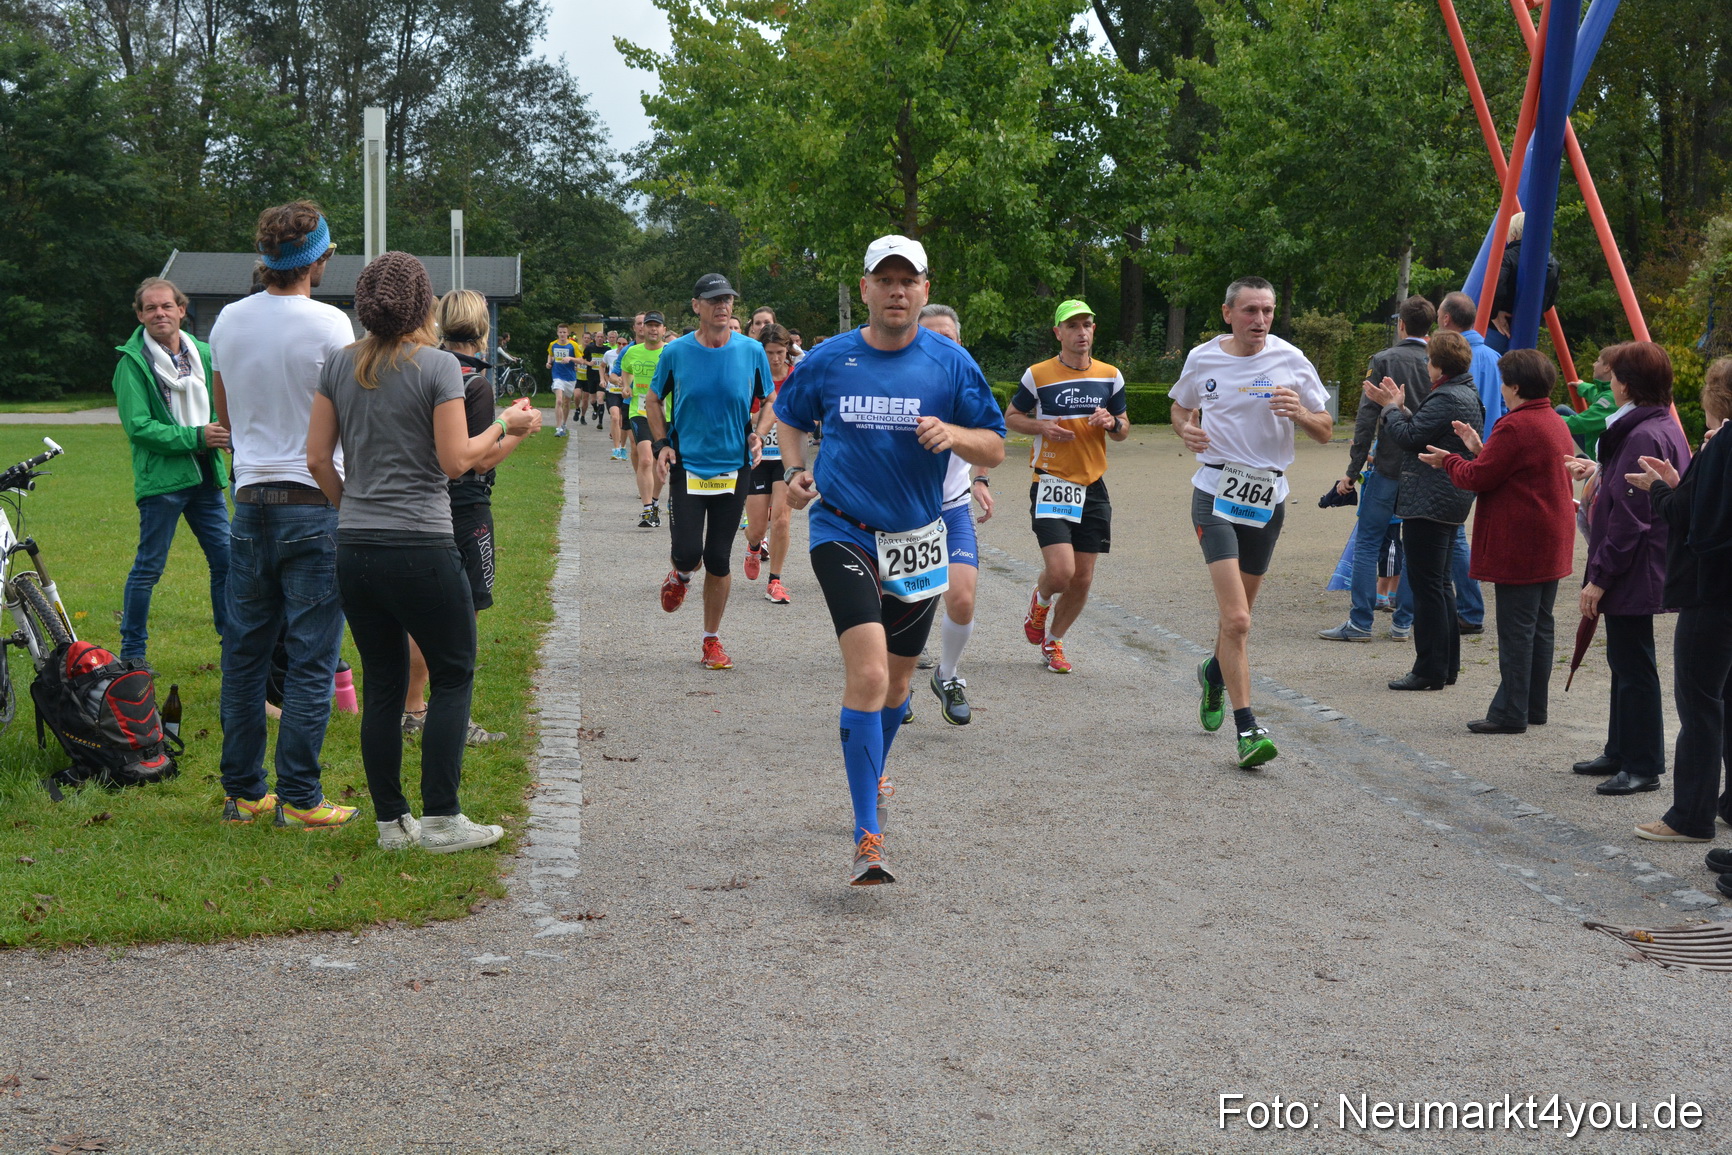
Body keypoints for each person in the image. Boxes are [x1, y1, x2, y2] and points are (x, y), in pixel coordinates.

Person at [774, 234, 1006, 884]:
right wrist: (793, 469)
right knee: (871, 675)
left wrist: (954, 434)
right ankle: (867, 835)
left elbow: (994, 445)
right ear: (866, 288)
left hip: (918, 539)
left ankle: (873, 771)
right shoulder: (830, 358)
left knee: (899, 688)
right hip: (842, 530)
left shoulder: (951, 363)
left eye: (909, 280)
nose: (897, 291)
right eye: (886, 279)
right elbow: (789, 415)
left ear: (925, 290)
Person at [308, 252, 539, 852]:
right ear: (423, 305)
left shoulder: (339, 364)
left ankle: (392, 824)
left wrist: (351, 510)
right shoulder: (437, 366)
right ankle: (441, 818)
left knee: (383, 685)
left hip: (356, 547)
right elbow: (456, 461)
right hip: (421, 545)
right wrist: (506, 427)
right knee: (454, 673)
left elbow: (317, 460)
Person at [208, 200, 356, 828]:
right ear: (316, 259)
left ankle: (244, 793)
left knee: (244, 657)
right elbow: (349, 417)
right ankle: (300, 797)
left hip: (248, 504)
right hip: (313, 504)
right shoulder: (332, 324)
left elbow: (227, 417)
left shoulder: (226, 320)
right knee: (312, 657)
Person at [1170, 276, 1332, 770]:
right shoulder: (1203, 358)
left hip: (1266, 498)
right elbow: (1179, 407)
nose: (1260, 320)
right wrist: (1185, 429)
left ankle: (1213, 673)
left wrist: (1300, 413)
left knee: (1234, 621)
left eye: (1267, 311)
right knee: (1239, 619)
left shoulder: (1291, 359)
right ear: (1228, 313)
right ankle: (1248, 730)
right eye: (1250, 311)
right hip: (1215, 493)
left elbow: (1326, 430)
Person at [399, 289, 538, 746]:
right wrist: (519, 429)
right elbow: (477, 460)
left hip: (422, 502)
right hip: (466, 508)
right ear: (483, 329)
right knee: (464, 614)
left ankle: (412, 707)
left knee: (421, 611)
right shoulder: (474, 383)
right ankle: (453, 714)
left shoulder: (422, 367)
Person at [1419, 349, 1576, 732]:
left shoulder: (1516, 425)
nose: (1501, 388)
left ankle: (1510, 712)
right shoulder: (1554, 420)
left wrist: (1450, 460)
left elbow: (1479, 478)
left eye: (1505, 382)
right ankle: (1532, 706)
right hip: (1551, 536)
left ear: (1516, 386)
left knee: (1517, 629)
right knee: (1540, 625)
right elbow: (1509, 466)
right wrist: (1478, 449)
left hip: (1521, 540)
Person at [1574, 341, 1692, 796]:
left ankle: (1642, 764)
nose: (1611, 384)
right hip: (1641, 562)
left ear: (1626, 384)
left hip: (1635, 565)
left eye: (1615, 377)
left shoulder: (1643, 434)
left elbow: (1630, 519)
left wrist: (1600, 577)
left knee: (1635, 664)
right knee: (1624, 659)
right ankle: (1621, 748)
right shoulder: (1659, 424)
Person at [1626, 358, 1731, 847]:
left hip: (1712, 590)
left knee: (1699, 702)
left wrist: (1659, 491)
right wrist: (1680, 482)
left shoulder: (1722, 444)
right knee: (1725, 698)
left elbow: (1697, 521)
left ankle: (1691, 815)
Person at [646, 274, 771, 670]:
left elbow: (769, 399)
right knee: (688, 553)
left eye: (727, 299)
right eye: (714, 299)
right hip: (688, 465)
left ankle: (710, 641)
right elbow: (653, 400)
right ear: (696, 305)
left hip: (734, 467)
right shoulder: (676, 352)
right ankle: (680, 576)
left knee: (718, 558)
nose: (723, 306)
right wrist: (662, 444)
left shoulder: (751, 350)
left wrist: (759, 432)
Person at [112, 276, 231, 662]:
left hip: (206, 477)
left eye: (166, 306)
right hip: (163, 482)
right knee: (149, 569)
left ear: (182, 309)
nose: (159, 313)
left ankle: (232, 645)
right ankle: (133, 653)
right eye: (150, 308)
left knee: (227, 562)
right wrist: (198, 436)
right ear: (140, 315)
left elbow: (223, 404)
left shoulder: (204, 353)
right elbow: (139, 427)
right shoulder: (132, 364)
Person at [1009, 299, 1128, 675]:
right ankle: (1041, 600)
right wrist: (1041, 426)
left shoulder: (1110, 375)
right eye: (1072, 326)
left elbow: (1123, 429)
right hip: (1051, 480)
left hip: (1092, 484)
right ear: (1058, 333)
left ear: (1094, 330)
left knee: (1082, 578)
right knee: (1061, 572)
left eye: (1086, 325)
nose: (1081, 332)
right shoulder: (1038, 374)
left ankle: (1054, 641)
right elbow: (1012, 417)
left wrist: (1112, 422)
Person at [1364, 331, 1483, 692]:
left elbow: (1409, 437)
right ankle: (1446, 666)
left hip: (1429, 500)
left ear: (1439, 364)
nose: (1426, 366)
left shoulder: (1446, 395)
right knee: (1440, 584)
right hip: (1449, 498)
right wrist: (1400, 409)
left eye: (1429, 361)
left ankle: (1429, 668)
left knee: (1426, 586)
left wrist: (1389, 408)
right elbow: (1423, 428)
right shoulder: (1466, 392)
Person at [1320, 295, 1434, 644]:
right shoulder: (1438, 360)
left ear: (1401, 324)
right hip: (1425, 467)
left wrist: (1352, 470)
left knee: (1369, 542)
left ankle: (1360, 622)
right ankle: (1403, 622)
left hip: (1387, 464)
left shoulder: (1383, 359)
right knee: (1415, 546)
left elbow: (1366, 419)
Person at [909, 303, 993, 725]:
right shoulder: (898, 379)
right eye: (931, 337)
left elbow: (989, 438)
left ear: (960, 342)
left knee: (961, 598)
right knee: (906, 605)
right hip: (902, 513)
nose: (941, 345)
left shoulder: (969, 382)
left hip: (953, 509)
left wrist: (981, 480)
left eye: (949, 337)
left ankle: (947, 674)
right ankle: (896, 684)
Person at [1435, 292, 1494, 630]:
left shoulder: (1451, 357)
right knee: (1452, 532)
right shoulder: (1494, 357)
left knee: (1452, 533)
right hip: (1484, 451)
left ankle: (1469, 610)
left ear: (1446, 319)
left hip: (1453, 453)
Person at [745, 322, 797, 604]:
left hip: (786, 458)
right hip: (758, 457)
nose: (775, 359)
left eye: (780, 352)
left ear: (787, 350)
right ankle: (754, 546)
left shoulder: (796, 376)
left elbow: (810, 413)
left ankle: (775, 581)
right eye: (769, 353)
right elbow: (744, 414)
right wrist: (762, 418)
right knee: (756, 528)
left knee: (781, 519)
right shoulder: (752, 376)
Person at [620, 311, 670, 527]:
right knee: (646, 459)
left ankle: (656, 502)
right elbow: (626, 370)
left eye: (657, 326)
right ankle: (647, 509)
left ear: (663, 330)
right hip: (639, 411)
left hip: (665, 413)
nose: (653, 329)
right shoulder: (632, 351)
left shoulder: (670, 352)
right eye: (649, 325)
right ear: (642, 328)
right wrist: (625, 385)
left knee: (661, 461)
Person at [1489, 212, 1561, 350]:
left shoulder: (1506, 257)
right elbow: (1549, 301)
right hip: (1528, 330)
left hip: (1498, 328)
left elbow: (1496, 288)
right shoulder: (1554, 264)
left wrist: (1493, 314)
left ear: (1513, 234)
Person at [546, 323, 579, 436]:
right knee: (559, 400)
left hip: (570, 377)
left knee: (566, 402)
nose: (562, 334)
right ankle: (558, 428)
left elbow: (581, 360)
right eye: (560, 332)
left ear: (568, 333)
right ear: (557, 333)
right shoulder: (553, 344)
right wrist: (548, 362)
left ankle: (564, 423)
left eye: (564, 332)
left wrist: (570, 359)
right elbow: (550, 354)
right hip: (557, 376)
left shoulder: (573, 345)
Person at [603, 331, 631, 461]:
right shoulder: (609, 354)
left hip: (626, 393)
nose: (621, 346)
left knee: (623, 421)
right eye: (619, 343)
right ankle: (616, 449)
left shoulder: (631, 354)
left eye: (624, 344)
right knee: (615, 417)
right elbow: (602, 367)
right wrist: (603, 379)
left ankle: (623, 446)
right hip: (612, 391)